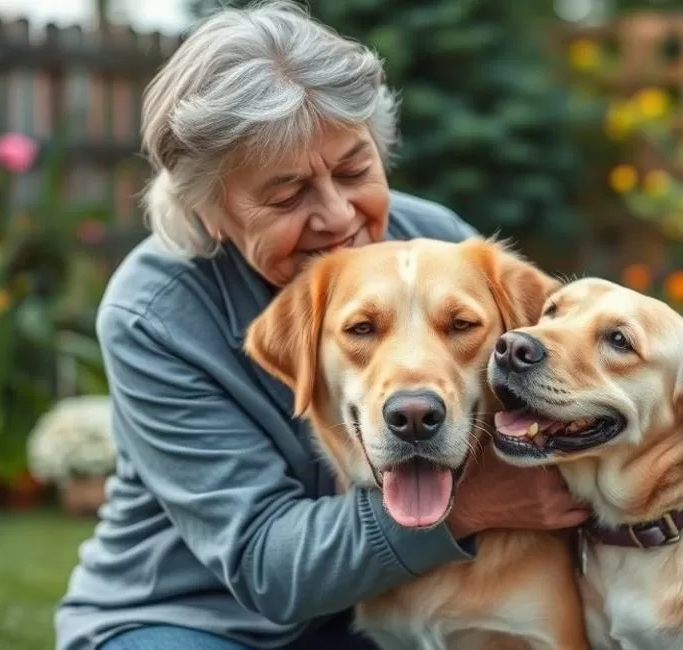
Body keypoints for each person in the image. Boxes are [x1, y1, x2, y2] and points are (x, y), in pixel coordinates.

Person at [54, 2, 589, 649]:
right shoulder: (153, 315)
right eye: (286, 195)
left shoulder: (438, 245)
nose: (337, 216)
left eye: (354, 170)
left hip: (380, 614)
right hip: (191, 618)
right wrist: (474, 504)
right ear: (207, 212)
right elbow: (266, 563)